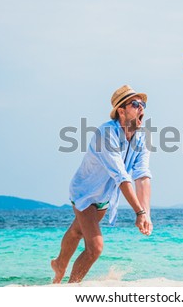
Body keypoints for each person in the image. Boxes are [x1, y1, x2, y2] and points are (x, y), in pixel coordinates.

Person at [51, 85, 153, 283]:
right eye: (135, 104)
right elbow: (121, 176)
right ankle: (71, 289)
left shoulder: (141, 137)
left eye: (143, 104)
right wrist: (139, 213)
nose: (141, 108)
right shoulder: (106, 133)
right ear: (121, 111)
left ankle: (59, 264)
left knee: (78, 230)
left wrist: (146, 212)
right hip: (85, 192)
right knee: (95, 248)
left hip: (104, 196)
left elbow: (142, 176)